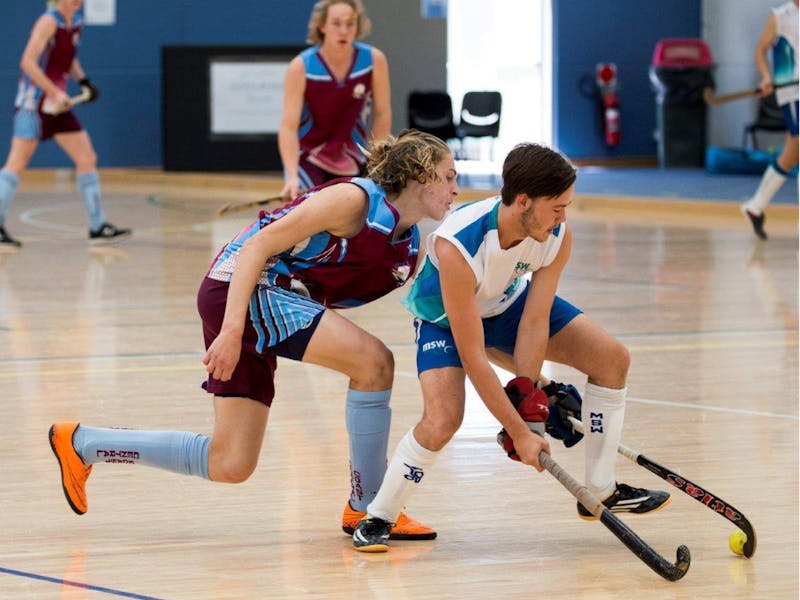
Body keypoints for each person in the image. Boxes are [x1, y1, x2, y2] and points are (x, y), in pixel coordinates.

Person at [48, 129, 458, 540]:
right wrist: (231, 329)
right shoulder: (352, 201)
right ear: (421, 176)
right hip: (239, 288)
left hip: (262, 298)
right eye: (449, 177)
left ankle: (84, 443)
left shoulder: (408, 243)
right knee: (375, 363)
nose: (456, 189)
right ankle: (370, 507)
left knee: (231, 462)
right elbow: (256, 246)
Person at [352, 142, 671, 552]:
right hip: (445, 320)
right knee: (444, 418)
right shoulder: (458, 244)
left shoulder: (556, 233)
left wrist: (528, 392)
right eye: (557, 207)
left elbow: (535, 320)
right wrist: (520, 431)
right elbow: (474, 354)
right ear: (523, 202)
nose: (563, 217)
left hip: (506, 305)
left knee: (612, 360)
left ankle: (600, 491)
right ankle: (379, 515)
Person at [0, 0, 130, 248]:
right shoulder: (48, 22)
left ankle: (97, 226)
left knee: (87, 158)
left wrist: (84, 81)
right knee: (16, 163)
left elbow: (66, 57)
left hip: (57, 107)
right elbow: (27, 62)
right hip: (34, 105)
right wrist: (53, 91)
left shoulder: (76, 22)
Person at [277, 0, 391, 200]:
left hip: (353, 157)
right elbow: (288, 126)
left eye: (350, 23)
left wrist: (377, 162)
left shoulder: (374, 60)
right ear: (322, 26)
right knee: (310, 221)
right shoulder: (301, 66)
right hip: (308, 159)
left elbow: (382, 114)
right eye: (336, 23)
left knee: (351, 226)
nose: (344, 30)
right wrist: (292, 175)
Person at [740, 0, 799, 240]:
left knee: (793, 152)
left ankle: (755, 206)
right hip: (793, 93)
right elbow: (761, 49)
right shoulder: (779, 16)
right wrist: (766, 77)